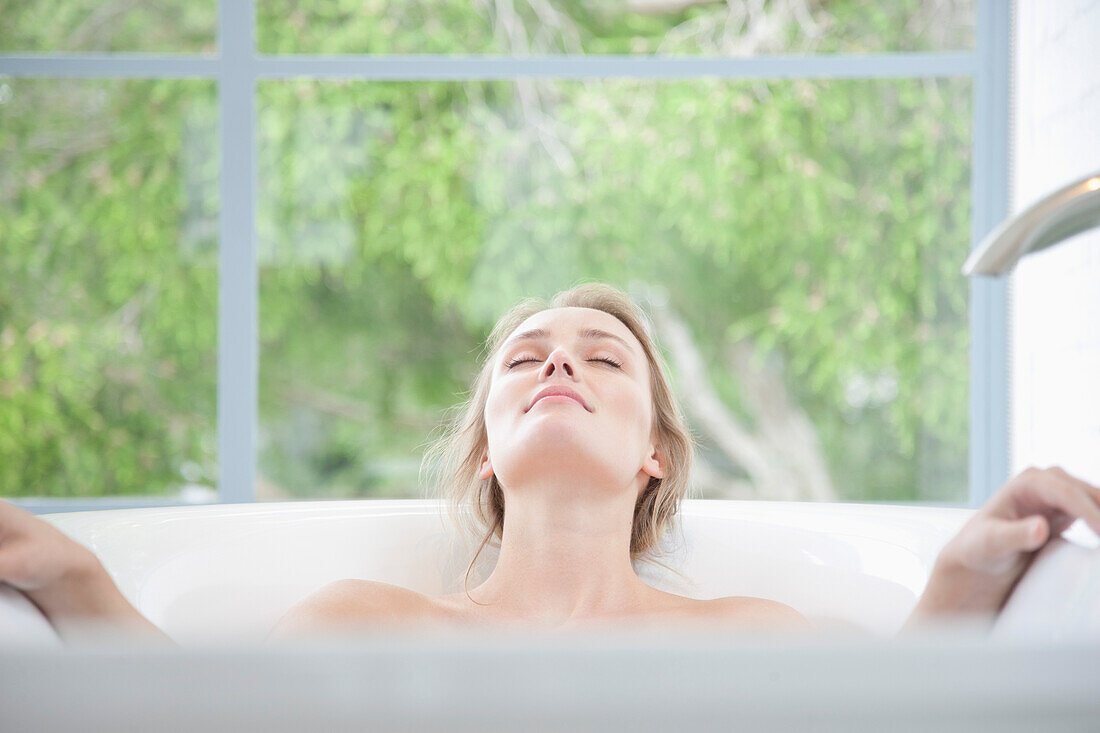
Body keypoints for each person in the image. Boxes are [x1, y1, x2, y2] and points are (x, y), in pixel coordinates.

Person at [1, 283, 1098, 645]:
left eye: (599, 356)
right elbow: (185, 719)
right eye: (524, 357)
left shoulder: (748, 637)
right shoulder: (360, 622)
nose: (556, 364)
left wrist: (961, 574)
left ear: (653, 455)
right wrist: (69, 574)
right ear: (486, 449)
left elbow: (906, 718)